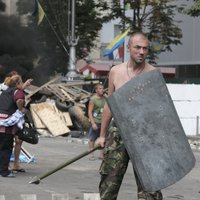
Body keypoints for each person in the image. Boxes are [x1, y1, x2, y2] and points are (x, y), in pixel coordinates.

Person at [95, 32, 163, 200]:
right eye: (137, 47)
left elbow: (160, 112)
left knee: (150, 189)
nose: (141, 52)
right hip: (118, 133)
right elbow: (110, 105)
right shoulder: (116, 72)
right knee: (108, 184)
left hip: (144, 135)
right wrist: (102, 136)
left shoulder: (153, 74)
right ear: (129, 48)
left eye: (145, 49)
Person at [0, 71, 32, 173]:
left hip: (4, 119)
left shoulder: (7, 90)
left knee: (9, 143)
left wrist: (24, 86)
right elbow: (18, 98)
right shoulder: (15, 91)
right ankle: (5, 169)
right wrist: (21, 109)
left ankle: (12, 165)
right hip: (8, 121)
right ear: (17, 83)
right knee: (6, 146)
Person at [88, 83, 106, 160]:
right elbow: (89, 112)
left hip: (103, 122)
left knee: (103, 138)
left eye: (102, 88)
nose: (102, 90)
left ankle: (101, 154)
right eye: (100, 88)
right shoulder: (93, 99)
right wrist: (93, 123)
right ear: (96, 90)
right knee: (92, 139)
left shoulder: (105, 98)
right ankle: (91, 154)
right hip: (96, 121)